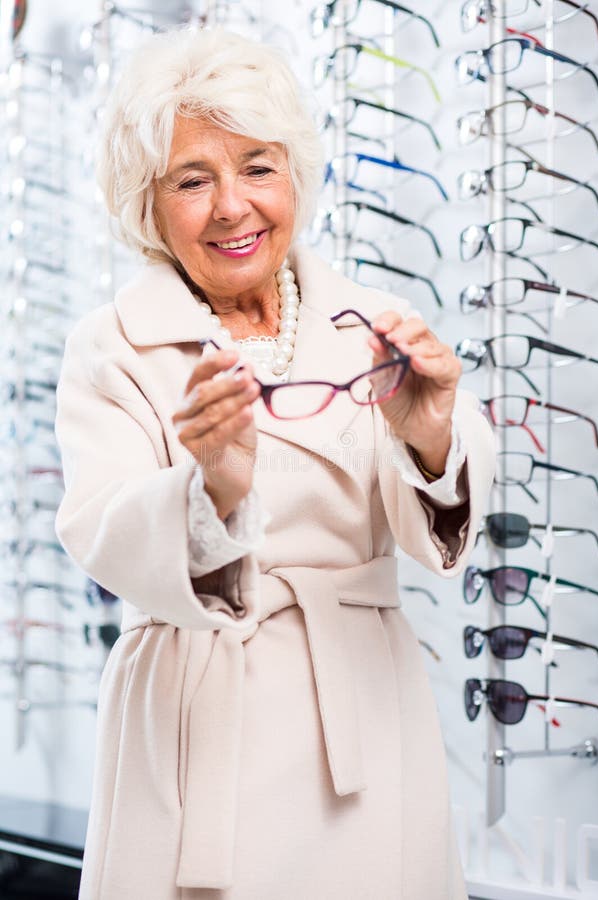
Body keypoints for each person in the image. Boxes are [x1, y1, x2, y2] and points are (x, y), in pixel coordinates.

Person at [54, 26, 495, 900]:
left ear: (295, 173)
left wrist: (432, 431)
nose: (232, 206)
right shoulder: (112, 347)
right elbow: (100, 531)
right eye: (193, 179)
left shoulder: (376, 323)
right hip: (195, 725)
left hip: (363, 721)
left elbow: (442, 535)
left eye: (258, 166)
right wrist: (210, 488)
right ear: (148, 202)